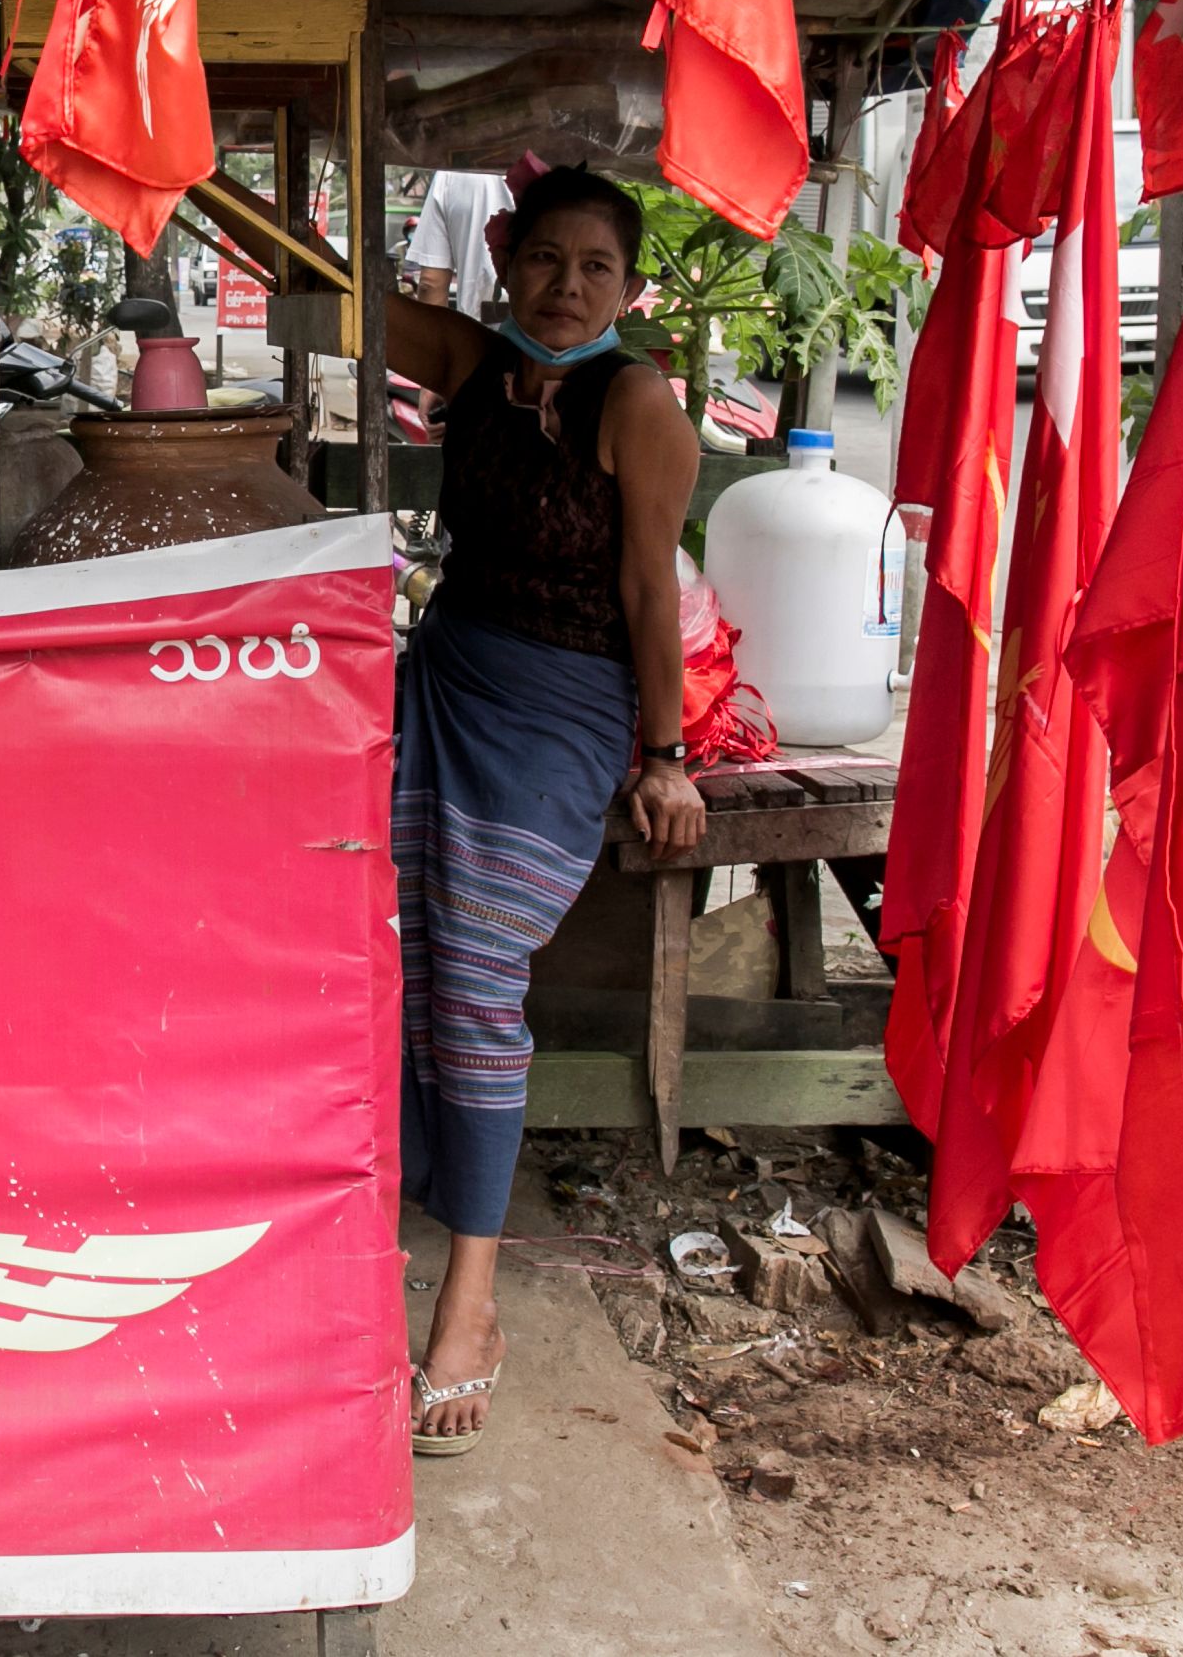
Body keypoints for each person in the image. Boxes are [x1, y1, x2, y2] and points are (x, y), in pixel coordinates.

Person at [384, 165, 706, 1455]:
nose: (566, 289)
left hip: (563, 707)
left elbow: (648, 597)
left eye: (596, 269)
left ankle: (471, 1296)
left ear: (628, 288)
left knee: (474, 976)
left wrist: (666, 756)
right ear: (502, 263)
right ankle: (374, 1220)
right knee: (377, 942)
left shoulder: (639, 408)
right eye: (544, 262)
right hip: (444, 674)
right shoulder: (471, 363)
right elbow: (333, 296)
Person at [405, 169, 515, 319]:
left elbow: (431, 283)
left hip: (477, 332)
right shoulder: (550, 159)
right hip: (545, 333)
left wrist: (434, 341)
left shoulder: (450, 173)